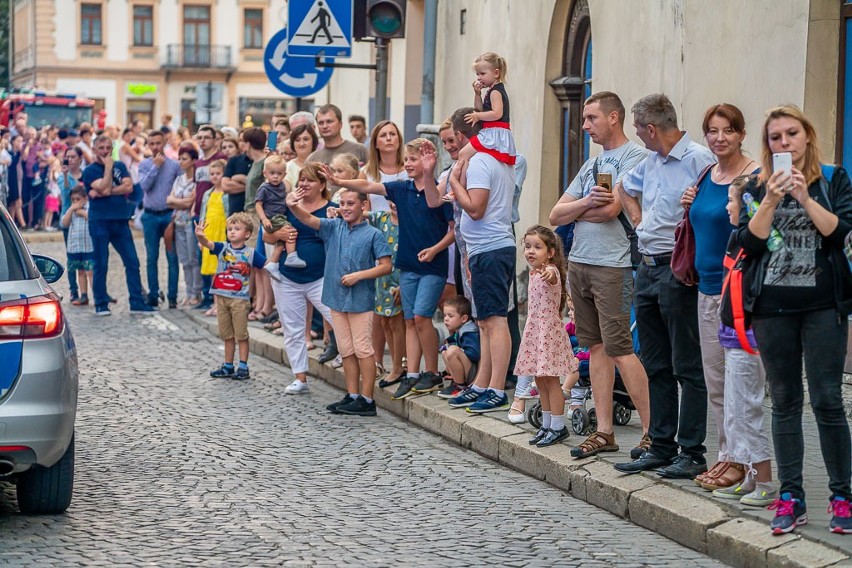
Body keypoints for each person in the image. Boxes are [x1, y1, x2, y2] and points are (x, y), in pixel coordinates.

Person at [735, 105, 852, 536]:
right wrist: (768, 198)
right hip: (772, 307)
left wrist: (804, 197)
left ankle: (842, 496)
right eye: (775, 137)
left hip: (823, 306)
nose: (784, 143)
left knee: (826, 400)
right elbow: (749, 241)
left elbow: (841, 234)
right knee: (783, 402)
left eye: (791, 134)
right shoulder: (755, 185)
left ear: (807, 136)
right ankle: (792, 495)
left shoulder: (834, 179)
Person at [613, 93, 715, 478]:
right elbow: (624, 188)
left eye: (638, 129)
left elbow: (715, 205)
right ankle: (660, 444)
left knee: (687, 365)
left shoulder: (697, 159)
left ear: (651, 128)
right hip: (648, 267)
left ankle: (692, 451)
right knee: (656, 362)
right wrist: (638, 221)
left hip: (679, 269)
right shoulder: (651, 161)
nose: (637, 135)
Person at [548, 91, 652, 460]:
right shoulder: (592, 163)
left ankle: (651, 433)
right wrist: (583, 206)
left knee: (621, 348)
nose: (585, 124)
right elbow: (555, 216)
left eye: (591, 118)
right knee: (594, 349)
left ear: (614, 117)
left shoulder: (634, 157)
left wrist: (582, 209)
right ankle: (604, 431)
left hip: (613, 263)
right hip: (580, 261)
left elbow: (611, 211)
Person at [322, 139, 454, 399]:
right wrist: (341, 183)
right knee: (408, 319)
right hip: (407, 264)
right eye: (406, 160)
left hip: (432, 265)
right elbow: (367, 185)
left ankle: (432, 372)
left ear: (428, 161)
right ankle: (412, 373)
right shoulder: (400, 188)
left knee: (421, 316)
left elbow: (453, 229)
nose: (408, 164)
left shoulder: (439, 190)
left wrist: (436, 249)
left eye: (413, 159)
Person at [679, 103, 759, 490]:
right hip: (707, 289)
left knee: (741, 384)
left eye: (728, 130)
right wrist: (687, 205)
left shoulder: (755, 176)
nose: (719, 138)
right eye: (712, 131)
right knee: (716, 382)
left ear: (742, 133)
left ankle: (745, 460)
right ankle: (727, 455)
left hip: (741, 293)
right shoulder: (707, 174)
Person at [435, 108, 517, 414]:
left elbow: (476, 208)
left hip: (492, 248)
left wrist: (455, 182)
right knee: (483, 321)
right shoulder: (486, 158)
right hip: (483, 249)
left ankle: (497, 388)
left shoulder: (482, 162)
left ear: (460, 135)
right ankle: (481, 383)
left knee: (495, 321)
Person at [287, 186, 392, 416]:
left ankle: (367, 399)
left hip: (361, 300)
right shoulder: (333, 227)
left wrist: (359, 275)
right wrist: (293, 205)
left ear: (363, 206)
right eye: (342, 203)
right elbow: (309, 220)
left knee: (363, 349)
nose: (345, 208)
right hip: (336, 298)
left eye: (350, 203)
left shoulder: (373, 234)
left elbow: (386, 266)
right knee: (346, 350)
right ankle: (352, 395)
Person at [708, 176, 776, 507]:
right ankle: (749, 476)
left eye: (733, 201)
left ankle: (765, 480)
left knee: (747, 409)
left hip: (748, 339)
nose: (727, 206)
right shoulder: (737, 239)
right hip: (732, 336)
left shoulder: (756, 245)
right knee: (734, 411)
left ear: (749, 205)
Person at [264, 163, 336, 395]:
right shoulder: (287, 206)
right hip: (287, 277)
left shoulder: (331, 209)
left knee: (338, 321)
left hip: (320, 276)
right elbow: (267, 234)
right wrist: (279, 234)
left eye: (310, 180)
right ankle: (300, 377)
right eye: (302, 179)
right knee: (293, 329)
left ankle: (352, 364)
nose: (304, 184)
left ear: (322, 185)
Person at [517, 225, 577, 447]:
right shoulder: (533, 273)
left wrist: (548, 273)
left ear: (550, 252)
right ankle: (547, 423)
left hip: (548, 332)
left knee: (551, 381)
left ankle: (559, 427)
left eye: (537, 247)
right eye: (528, 246)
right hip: (536, 331)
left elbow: (552, 278)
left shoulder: (550, 270)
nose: (531, 251)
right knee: (540, 380)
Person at [82, 134, 154, 315]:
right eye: (101, 148)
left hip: (121, 220)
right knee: (101, 263)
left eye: (108, 148)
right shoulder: (90, 171)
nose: (105, 152)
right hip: (99, 221)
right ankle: (100, 303)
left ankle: (137, 301)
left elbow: (128, 187)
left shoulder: (121, 166)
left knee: (132, 261)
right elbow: (104, 186)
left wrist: (106, 191)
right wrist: (107, 170)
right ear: (94, 149)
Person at [195, 212, 267, 381]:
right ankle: (228, 365)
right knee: (226, 334)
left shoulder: (251, 253)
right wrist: (200, 236)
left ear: (247, 234)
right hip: (221, 297)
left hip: (240, 299)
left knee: (241, 334)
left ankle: (243, 366)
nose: (232, 232)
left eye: (237, 229)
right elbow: (208, 243)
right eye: (230, 229)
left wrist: (278, 251)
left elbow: (265, 265)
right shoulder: (222, 248)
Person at [138, 130, 181, 309]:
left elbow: (179, 189)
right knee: (151, 257)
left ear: (164, 143)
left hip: (169, 215)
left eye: (158, 143)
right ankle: (153, 295)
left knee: (172, 257)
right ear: (148, 145)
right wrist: (155, 167)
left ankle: (172, 296)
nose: (155, 147)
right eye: (152, 144)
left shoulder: (174, 165)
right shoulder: (144, 164)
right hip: (150, 215)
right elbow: (144, 186)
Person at [459, 52, 516, 168]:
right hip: (491, 132)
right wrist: (477, 94)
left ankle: (463, 183)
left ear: (496, 73)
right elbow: (479, 110)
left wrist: (478, 116)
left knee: (463, 154)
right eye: (477, 74)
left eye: (482, 74)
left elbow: (497, 113)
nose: (479, 78)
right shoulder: (491, 91)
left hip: (494, 133)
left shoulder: (496, 91)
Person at [255, 154, 306, 275]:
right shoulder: (264, 188)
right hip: (272, 218)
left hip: (281, 216)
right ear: (265, 173)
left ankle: (273, 264)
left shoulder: (283, 186)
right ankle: (291, 256)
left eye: (279, 174)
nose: (275, 177)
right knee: (290, 231)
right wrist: (264, 219)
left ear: (285, 174)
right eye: (272, 173)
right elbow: (258, 205)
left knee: (281, 241)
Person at [167, 144, 202, 306]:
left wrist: (178, 202)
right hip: (178, 222)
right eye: (180, 158)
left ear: (194, 160)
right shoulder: (179, 179)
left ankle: (196, 292)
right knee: (184, 260)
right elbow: (169, 200)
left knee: (193, 258)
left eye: (185, 159)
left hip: (190, 222)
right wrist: (179, 202)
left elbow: (190, 202)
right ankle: (188, 292)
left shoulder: (197, 180)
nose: (181, 161)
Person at [199, 159, 230, 317]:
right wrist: (201, 237)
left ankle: (222, 304)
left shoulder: (226, 194)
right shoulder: (207, 193)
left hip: (221, 234)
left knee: (222, 270)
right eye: (212, 174)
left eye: (218, 173)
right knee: (213, 271)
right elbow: (203, 215)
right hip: (209, 234)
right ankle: (215, 301)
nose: (215, 176)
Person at [437, 295, 481, 400]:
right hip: (468, 369)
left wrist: (458, 350)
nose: (446, 319)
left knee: (452, 351)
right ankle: (457, 382)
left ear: (464, 318)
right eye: (445, 315)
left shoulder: (469, 332)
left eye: (450, 316)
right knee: (445, 351)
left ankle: (460, 386)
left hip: (474, 372)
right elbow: (455, 339)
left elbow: (475, 354)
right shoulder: (461, 330)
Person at [360, 120, 407, 212]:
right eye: (383, 135)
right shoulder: (365, 173)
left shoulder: (411, 170)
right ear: (375, 143)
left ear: (399, 140)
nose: (388, 138)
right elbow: (364, 211)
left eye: (392, 134)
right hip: (375, 225)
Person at [58, 148, 85, 302]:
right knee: (72, 256)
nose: (70, 159)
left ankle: (85, 291)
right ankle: (73, 290)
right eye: (67, 157)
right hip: (69, 220)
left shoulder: (85, 175)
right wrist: (66, 175)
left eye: (73, 157)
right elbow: (67, 192)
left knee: (86, 254)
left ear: (80, 159)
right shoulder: (62, 177)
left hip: (84, 219)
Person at [60, 187, 94, 307]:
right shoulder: (71, 210)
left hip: (88, 246)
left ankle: (97, 296)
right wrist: (71, 210)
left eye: (78, 199)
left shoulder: (90, 208)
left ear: (85, 198)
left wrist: (83, 213)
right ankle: (83, 295)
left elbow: (93, 219)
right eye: (73, 199)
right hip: (75, 246)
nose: (75, 202)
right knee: (80, 271)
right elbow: (64, 223)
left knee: (90, 271)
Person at [308, 104, 368, 169]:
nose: (324, 126)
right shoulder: (312, 159)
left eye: (329, 122)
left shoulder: (360, 150)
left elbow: (373, 176)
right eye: (321, 123)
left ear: (340, 124)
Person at [286, 124, 319, 195]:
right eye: (297, 140)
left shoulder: (321, 164)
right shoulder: (287, 167)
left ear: (313, 141)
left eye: (306, 139)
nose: (301, 143)